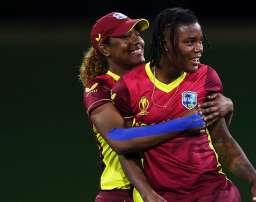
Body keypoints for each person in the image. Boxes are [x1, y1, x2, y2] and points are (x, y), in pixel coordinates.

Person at [111, 7, 256, 202]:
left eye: (200, 41)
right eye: (190, 42)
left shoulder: (206, 77)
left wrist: (255, 180)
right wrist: (147, 193)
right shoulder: (129, 87)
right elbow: (127, 151)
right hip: (165, 196)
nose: (199, 48)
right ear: (166, 44)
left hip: (213, 193)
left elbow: (222, 140)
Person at [79, 11, 234, 202]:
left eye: (137, 33)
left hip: (168, 189)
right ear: (104, 47)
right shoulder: (100, 88)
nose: (136, 40)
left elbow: (205, 135)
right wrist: (183, 123)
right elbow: (119, 139)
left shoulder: (156, 81)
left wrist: (225, 108)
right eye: (126, 36)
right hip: (122, 191)